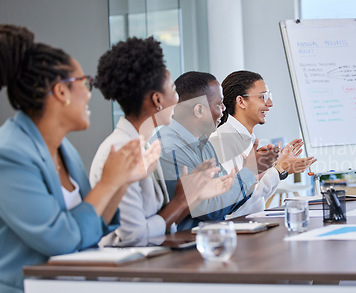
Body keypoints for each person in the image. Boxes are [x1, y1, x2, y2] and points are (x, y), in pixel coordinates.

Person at [0, 25, 160, 292]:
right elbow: (60, 238)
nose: (89, 93)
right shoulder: (10, 154)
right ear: (61, 91)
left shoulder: (65, 149)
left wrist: (123, 180)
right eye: (85, 82)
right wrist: (108, 183)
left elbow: (92, 222)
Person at [90, 37, 234, 246]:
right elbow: (134, 237)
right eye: (174, 91)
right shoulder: (121, 150)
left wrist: (195, 195)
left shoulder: (143, 145)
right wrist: (181, 201)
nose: (179, 100)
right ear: (157, 100)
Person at [153, 71, 256, 230]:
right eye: (218, 105)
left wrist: (248, 174)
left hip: (210, 238)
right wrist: (249, 172)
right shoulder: (169, 149)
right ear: (199, 110)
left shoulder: (203, 143)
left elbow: (226, 198)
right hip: (185, 247)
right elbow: (209, 209)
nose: (223, 111)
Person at [210, 70, 316, 215]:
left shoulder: (246, 138)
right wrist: (279, 170)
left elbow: (256, 199)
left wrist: (277, 167)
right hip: (237, 231)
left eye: (269, 96)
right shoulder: (222, 141)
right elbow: (235, 204)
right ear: (241, 101)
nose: (270, 103)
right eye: (262, 97)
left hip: (252, 225)